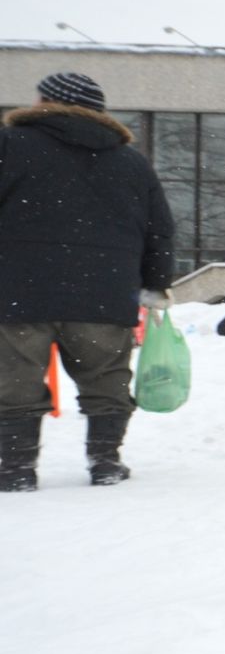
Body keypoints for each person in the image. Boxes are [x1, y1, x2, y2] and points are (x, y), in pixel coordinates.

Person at [0, 73, 173, 492]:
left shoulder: (10, 146)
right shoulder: (131, 162)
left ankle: (16, 469)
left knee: (15, 382)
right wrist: (155, 284)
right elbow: (160, 230)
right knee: (106, 379)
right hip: (104, 293)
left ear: (45, 101)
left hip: (19, 292)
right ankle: (106, 461)